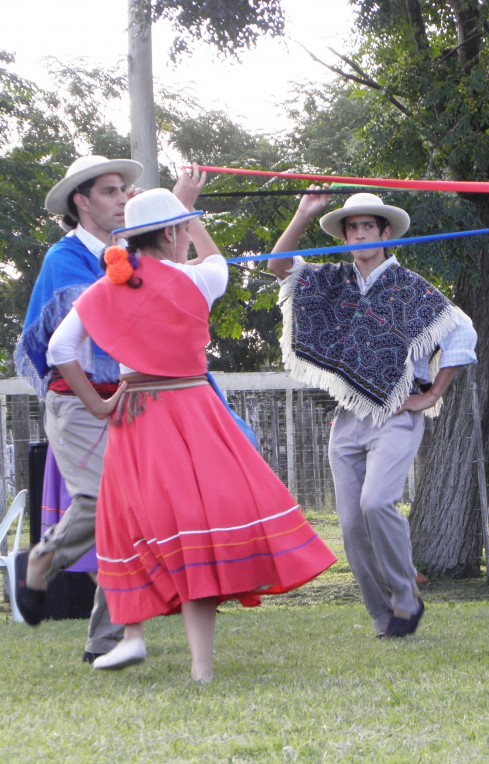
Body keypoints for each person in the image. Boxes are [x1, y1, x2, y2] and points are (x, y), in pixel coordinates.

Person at [45, 178, 337, 681]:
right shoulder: (201, 279)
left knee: (133, 526)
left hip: (136, 415)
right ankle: (201, 668)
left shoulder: (106, 288)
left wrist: (98, 404)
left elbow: (58, 352)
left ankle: (131, 637)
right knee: (197, 532)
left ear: (130, 238)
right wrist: (191, 211)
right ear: (175, 232)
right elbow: (214, 257)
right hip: (194, 409)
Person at [269, 190, 477, 639]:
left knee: (376, 503)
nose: (359, 233)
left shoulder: (412, 289)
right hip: (347, 419)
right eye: (351, 227)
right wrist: (304, 213)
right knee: (350, 527)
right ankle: (385, 619)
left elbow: (462, 333)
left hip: (396, 412)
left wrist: (433, 393)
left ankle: (406, 597)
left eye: (368, 226)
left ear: (385, 233)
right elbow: (279, 267)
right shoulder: (332, 282)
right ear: (344, 235)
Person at [13, 155, 144, 663]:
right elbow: (64, 342)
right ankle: (43, 559)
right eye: (111, 192)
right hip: (75, 402)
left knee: (128, 514)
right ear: (81, 202)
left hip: (128, 401)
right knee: (99, 502)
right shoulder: (64, 259)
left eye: (125, 192)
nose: (122, 200)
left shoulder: (129, 254)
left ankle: (105, 641)